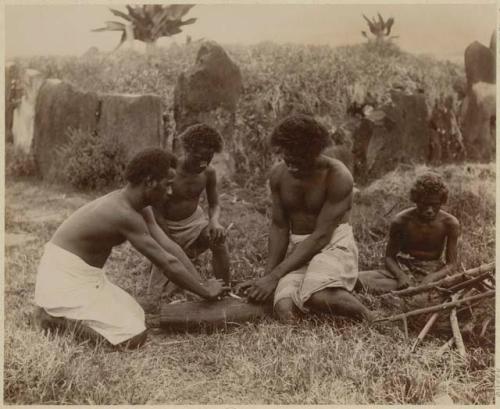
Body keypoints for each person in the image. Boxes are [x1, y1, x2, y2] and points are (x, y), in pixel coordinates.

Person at [34, 148, 228, 349]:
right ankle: (56, 320)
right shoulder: (123, 213)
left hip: (88, 277)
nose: (171, 192)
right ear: (150, 182)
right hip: (63, 279)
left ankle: (61, 312)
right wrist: (205, 291)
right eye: (167, 185)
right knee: (134, 337)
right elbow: (167, 263)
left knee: (138, 315)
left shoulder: (140, 205)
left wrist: (201, 284)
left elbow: (171, 248)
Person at [237, 114, 373, 323]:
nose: (291, 166)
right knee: (283, 308)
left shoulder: (337, 176)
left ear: (314, 153)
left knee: (319, 295)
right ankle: (323, 296)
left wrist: (274, 278)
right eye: (287, 159)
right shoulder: (278, 175)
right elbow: (280, 227)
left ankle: (370, 317)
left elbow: (321, 236)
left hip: (333, 245)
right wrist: (267, 277)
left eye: (299, 161)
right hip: (300, 249)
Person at [148, 124, 230, 298]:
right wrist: (170, 242)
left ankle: (225, 289)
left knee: (218, 239)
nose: (203, 163)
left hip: (194, 224)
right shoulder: (169, 173)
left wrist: (214, 222)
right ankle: (176, 265)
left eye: (208, 158)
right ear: (188, 150)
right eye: (199, 157)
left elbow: (214, 203)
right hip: (167, 227)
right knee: (157, 295)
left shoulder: (208, 173)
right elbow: (157, 213)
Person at [357, 172, 460, 293]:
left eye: (435, 205)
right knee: (357, 279)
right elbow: (390, 257)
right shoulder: (401, 221)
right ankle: (409, 288)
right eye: (424, 204)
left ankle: (409, 290)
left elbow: (452, 264)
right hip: (404, 267)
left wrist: (433, 277)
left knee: (449, 284)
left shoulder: (450, 223)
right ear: (416, 200)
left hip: (432, 270)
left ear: (441, 201)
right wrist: (401, 276)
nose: (429, 210)